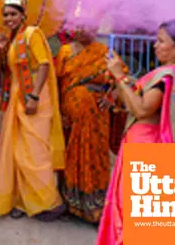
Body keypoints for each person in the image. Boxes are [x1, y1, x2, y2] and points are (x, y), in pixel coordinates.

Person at [97, 19, 175, 245]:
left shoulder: (168, 75)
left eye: (161, 41)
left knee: (128, 217)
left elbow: (141, 109)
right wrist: (124, 83)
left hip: (143, 143)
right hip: (143, 141)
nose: (154, 46)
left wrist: (119, 77)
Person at [0, 0, 65, 221]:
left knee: (35, 152)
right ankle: (24, 199)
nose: (9, 18)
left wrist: (33, 96)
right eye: (6, 15)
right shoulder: (15, 39)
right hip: (18, 98)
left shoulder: (31, 34)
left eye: (13, 14)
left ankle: (47, 202)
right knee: (20, 151)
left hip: (34, 98)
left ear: (23, 15)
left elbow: (43, 64)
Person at [55, 26, 125, 223]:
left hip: (97, 116)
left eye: (89, 26)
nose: (85, 31)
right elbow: (57, 83)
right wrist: (60, 111)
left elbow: (122, 78)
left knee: (95, 155)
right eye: (80, 27)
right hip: (70, 115)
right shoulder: (65, 51)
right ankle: (69, 205)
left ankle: (96, 208)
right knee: (70, 154)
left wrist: (112, 98)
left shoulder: (104, 52)